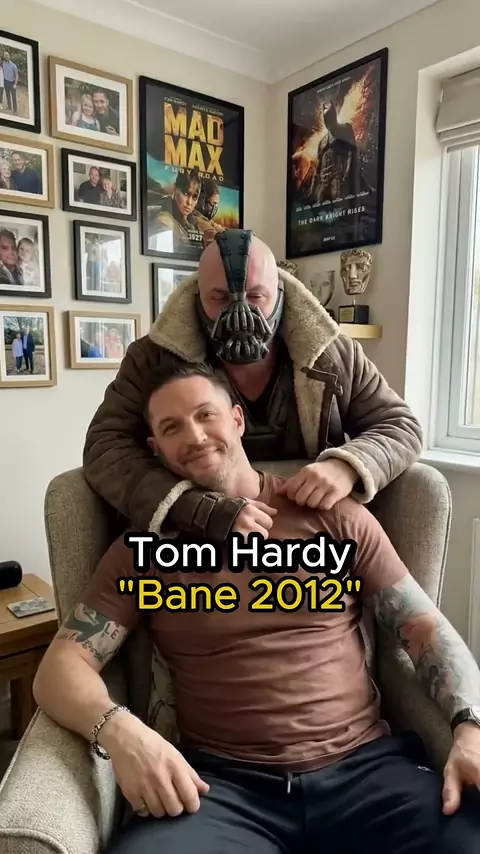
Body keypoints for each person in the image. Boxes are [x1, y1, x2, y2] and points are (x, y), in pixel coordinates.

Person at [34, 363, 480, 853]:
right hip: (221, 790)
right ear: (155, 449)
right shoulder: (146, 548)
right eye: (172, 427)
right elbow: (59, 668)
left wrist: (471, 726)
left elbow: (423, 627)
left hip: (366, 772)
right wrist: (120, 732)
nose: (195, 436)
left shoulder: (331, 515)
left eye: (206, 415)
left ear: (237, 419)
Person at [83, 228, 422, 545]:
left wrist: (348, 464)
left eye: (257, 296)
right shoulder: (150, 359)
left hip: (308, 530)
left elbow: (400, 425)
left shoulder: (334, 354)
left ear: (280, 293)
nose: (239, 313)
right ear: (197, 297)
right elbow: (104, 445)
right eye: (219, 298)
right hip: (194, 539)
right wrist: (194, 509)